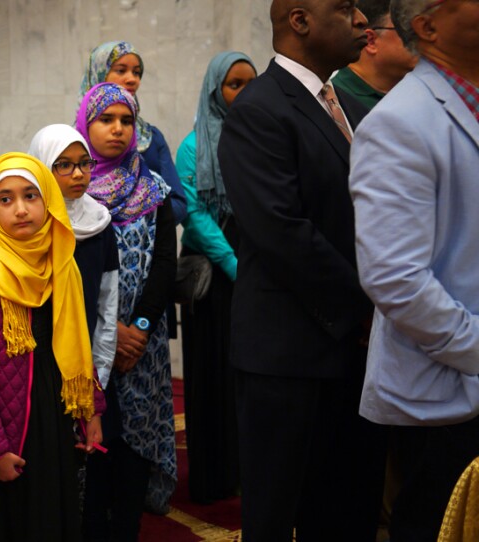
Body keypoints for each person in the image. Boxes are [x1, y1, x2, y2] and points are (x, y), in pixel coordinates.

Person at [217, 1, 387, 540]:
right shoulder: (259, 109)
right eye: (345, 7)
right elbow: (281, 231)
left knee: (346, 508)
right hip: (288, 354)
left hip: (351, 351)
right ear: (299, 20)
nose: (363, 20)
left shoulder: (349, 109)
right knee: (274, 514)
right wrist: (367, 308)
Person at [350, 0, 479, 540]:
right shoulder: (400, 122)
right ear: (427, 25)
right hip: (449, 391)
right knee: (436, 524)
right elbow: (394, 278)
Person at [0, 152, 105, 542]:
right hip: (11, 429)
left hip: (57, 414)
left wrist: (92, 412)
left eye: (31, 196)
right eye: (6, 199)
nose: (20, 209)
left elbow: (79, 345)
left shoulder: (62, 264)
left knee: (60, 517)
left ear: (48, 201)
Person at [76, 82, 177, 540]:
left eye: (126, 121)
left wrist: (137, 326)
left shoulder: (153, 190)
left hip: (142, 344)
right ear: (85, 124)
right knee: (95, 445)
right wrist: (108, 333)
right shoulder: (70, 196)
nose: (118, 130)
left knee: (135, 447)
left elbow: (164, 267)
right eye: (106, 120)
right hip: (88, 340)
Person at [173, 50, 256, 504]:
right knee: (211, 377)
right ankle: (212, 475)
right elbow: (197, 217)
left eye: (249, 83)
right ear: (214, 91)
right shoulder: (194, 145)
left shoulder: (261, 137)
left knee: (248, 377)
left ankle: (246, 468)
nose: (243, 93)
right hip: (215, 277)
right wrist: (236, 267)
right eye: (234, 84)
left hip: (253, 269)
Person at [28, 124, 119, 391]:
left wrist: (100, 371)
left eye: (84, 163)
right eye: (64, 165)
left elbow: (108, 301)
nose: (78, 173)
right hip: (40, 363)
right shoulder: (32, 226)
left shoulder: (99, 223)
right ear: (43, 167)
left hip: (88, 357)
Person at [80, 41, 188, 226]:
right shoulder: (71, 141)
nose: (132, 79)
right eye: (121, 70)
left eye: (137, 72)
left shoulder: (150, 136)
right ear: (98, 72)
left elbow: (178, 203)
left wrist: (143, 212)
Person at [331, 0, 418, 109]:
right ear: (370, 40)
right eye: (408, 30)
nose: (421, 36)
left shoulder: (417, 91)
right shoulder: (336, 101)